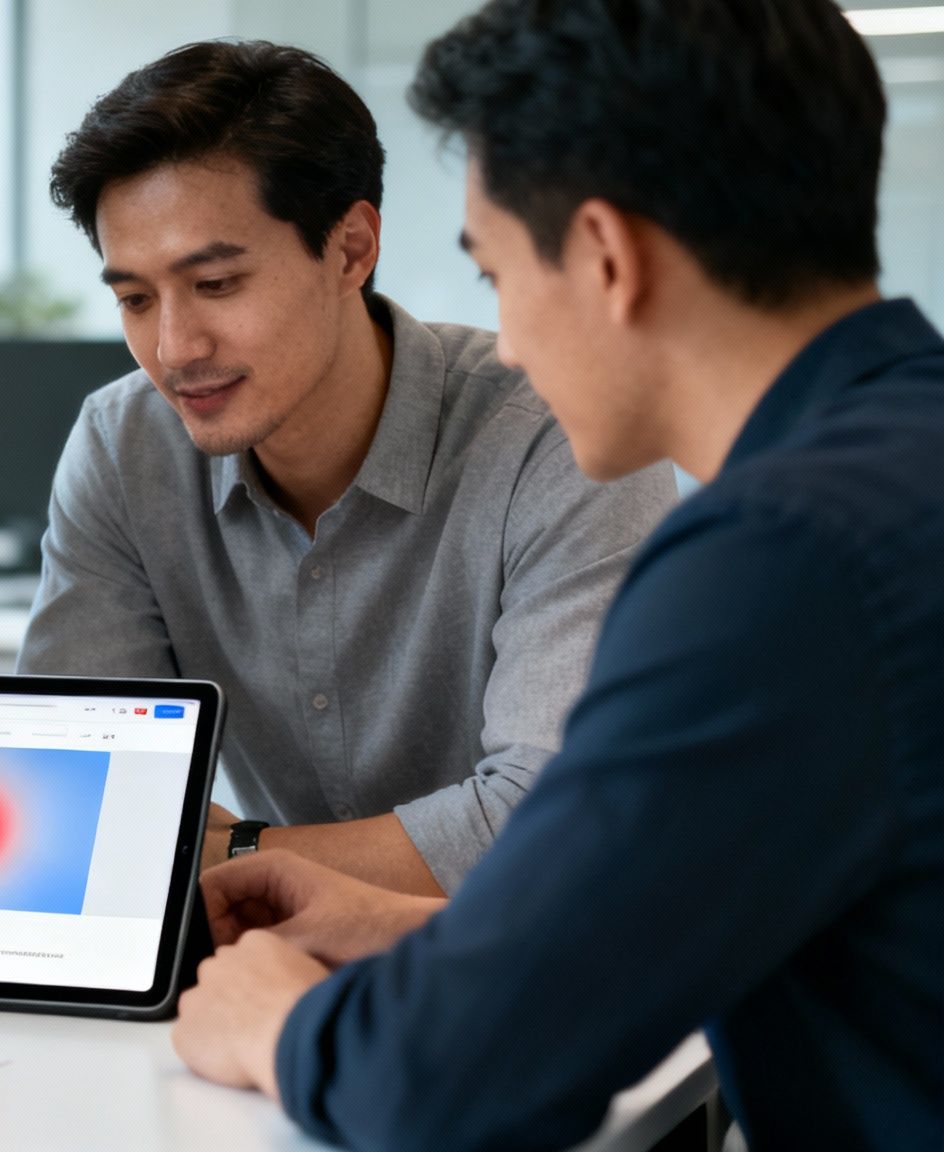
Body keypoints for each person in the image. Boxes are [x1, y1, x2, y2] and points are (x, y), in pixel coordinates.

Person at [168, 1, 944, 1147]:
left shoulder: (777, 558)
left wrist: (279, 1024)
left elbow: (460, 1083)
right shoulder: (902, 459)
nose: (511, 344)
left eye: (493, 274)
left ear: (603, 256)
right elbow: (680, 902)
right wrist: (415, 932)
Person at [25, 41, 676, 894]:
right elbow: (73, 789)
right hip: (256, 974)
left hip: (543, 978)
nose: (174, 349)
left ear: (350, 250)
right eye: (135, 299)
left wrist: (232, 855)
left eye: (216, 283)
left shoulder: (559, 433)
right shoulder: (123, 445)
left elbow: (560, 820)